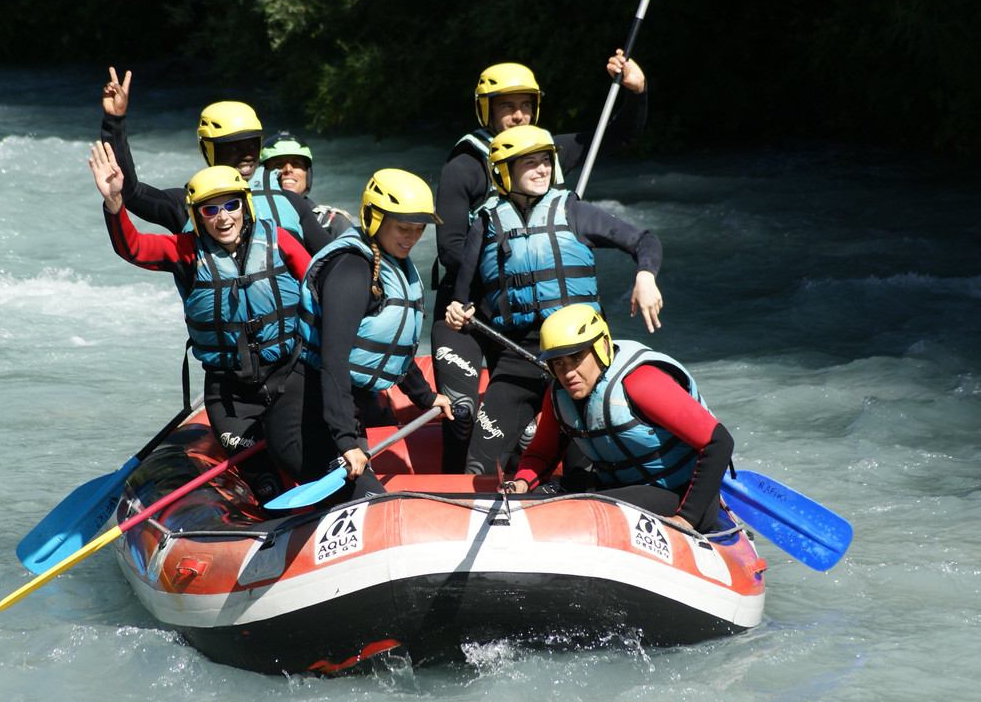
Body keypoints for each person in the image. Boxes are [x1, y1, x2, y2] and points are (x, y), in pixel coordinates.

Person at [432, 53, 647, 472]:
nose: (518, 115)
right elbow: (450, 249)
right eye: (506, 107)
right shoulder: (463, 166)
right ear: (486, 111)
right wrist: (508, 258)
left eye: (525, 106)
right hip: (471, 305)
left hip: (539, 310)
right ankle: (453, 482)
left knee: (561, 395)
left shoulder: (544, 151)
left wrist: (636, 92)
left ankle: (553, 461)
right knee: (462, 408)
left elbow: (618, 134)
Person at [89, 142, 312, 503]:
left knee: (298, 458)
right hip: (230, 394)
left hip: (287, 377)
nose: (223, 217)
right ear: (198, 215)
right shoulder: (185, 250)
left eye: (231, 205)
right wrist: (115, 204)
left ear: (244, 204)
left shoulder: (279, 241)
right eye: (211, 209)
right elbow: (134, 248)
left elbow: (320, 291)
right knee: (266, 483)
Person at [504, 304, 733, 534]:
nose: (568, 372)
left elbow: (719, 442)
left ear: (601, 347)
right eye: (558, 362)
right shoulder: (558, 395)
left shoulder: (641, 383)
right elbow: (542, 454)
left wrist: (686, 519)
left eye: (576, 358)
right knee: (537, 498)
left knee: (586, 508)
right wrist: (521, 483)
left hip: (680, 495)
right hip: (620, 488)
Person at [296, 169, 454, 497]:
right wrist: (344, 440)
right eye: (402, 228)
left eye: (418, 229)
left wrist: (426, 397)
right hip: (306, 412)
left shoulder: (393, 266)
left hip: (345, 416)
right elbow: (334, 359)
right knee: (372, 501)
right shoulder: (353, 270)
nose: (411, 238)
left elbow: (388, 347)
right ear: (373, 217)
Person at [99, 67, 332, 254]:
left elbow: (330, 260)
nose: (248, 153)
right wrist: (115, 120)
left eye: (252, 144)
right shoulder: (186, 205)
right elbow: (131, 193)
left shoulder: (289, 200)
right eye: (235, 146)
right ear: (208, 150)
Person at [261, 130, 356, 238]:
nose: (288, 169)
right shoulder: (247, 220)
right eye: (278, 164)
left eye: (296, 164)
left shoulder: (333, 223)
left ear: (307, 173)